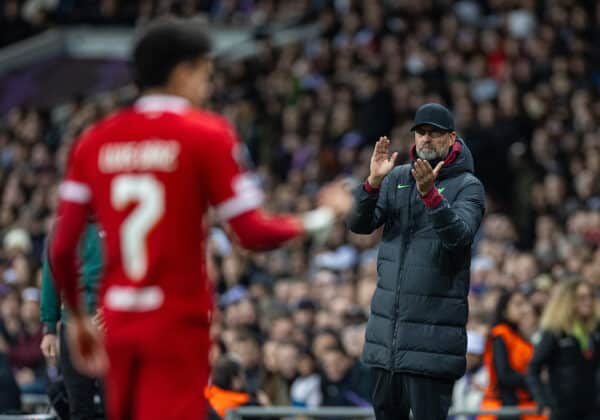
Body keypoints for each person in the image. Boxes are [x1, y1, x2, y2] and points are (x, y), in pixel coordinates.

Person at [48, 17, 350, 420]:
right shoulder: (206, 134)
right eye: (206, 73)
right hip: (174, 324)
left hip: (117, 324)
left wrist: (78, 322)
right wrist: (323, 215)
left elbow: (62, 245)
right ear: (183, 71)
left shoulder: (95, 141)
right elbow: (252, 231)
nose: (208, 85)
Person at [347, 103, 485, 420]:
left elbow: (459, 237)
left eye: (434, 133)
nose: (425, 139)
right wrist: (371, 184)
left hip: (431, 345)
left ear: (452, 138)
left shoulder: (468, 186)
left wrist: (431, 196)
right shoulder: (396, 177)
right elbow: (359, 224)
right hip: (387, 342)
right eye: (421, 132)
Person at [40, 222, 104, 420]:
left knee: (118, 407)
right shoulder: (61, 228)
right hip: (73, 326)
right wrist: (50, 328)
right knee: (78, 408)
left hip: (109, 326)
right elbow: (50, 275)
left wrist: (114, 310)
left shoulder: (116, 217)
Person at [527, 279, 600, 420]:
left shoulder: (594, 330)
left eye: (591, 296)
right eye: (582, 298)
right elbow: (533, 368)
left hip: (593, 409)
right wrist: (544, 402)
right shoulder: (555, 331)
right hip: (563, 410)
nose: (588, 302)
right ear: (568, 301)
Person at [479, 290, 545, 420]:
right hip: (502, 407)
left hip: (522, 404)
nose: (524, 309)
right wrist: (535, 379)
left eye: (525, 304)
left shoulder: (520, 337)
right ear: (504, 310)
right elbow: (504, 375)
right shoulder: (500, 334)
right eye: (518, 304)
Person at [451, 330, 488, 420]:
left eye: (470, 354)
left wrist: (484, 391)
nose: (467, 358)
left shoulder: (487, 373)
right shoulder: (460, 374)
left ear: (479, 355)